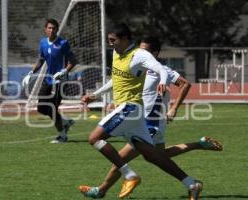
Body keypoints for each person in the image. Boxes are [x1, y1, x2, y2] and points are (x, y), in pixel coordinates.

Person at [79, 36, 223, 199]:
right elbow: (117, 80)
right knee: (160, 157)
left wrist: (174, 109)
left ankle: (102, 190)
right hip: (141, 121)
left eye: (145, 50)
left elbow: (185, 84)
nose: (140, 52)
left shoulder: (162, 70)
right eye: (140, 48)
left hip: (150, 124)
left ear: (155, 53)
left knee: (120, 157)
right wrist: (97, 95)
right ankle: (198, 148)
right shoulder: (137, 67)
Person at [31, 18, 77, 143]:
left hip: (60, 82)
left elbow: (73, 61)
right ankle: (65, 122)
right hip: (47, 80)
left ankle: (62, 136)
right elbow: (41, 60)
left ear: (57, 30)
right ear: (45, 29)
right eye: (49, 28)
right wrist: (31, 72)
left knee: (52, 108)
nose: (51, 30)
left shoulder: (63, 43)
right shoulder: (43, 43)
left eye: (54, 28)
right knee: (41, 108)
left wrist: (64, 72)